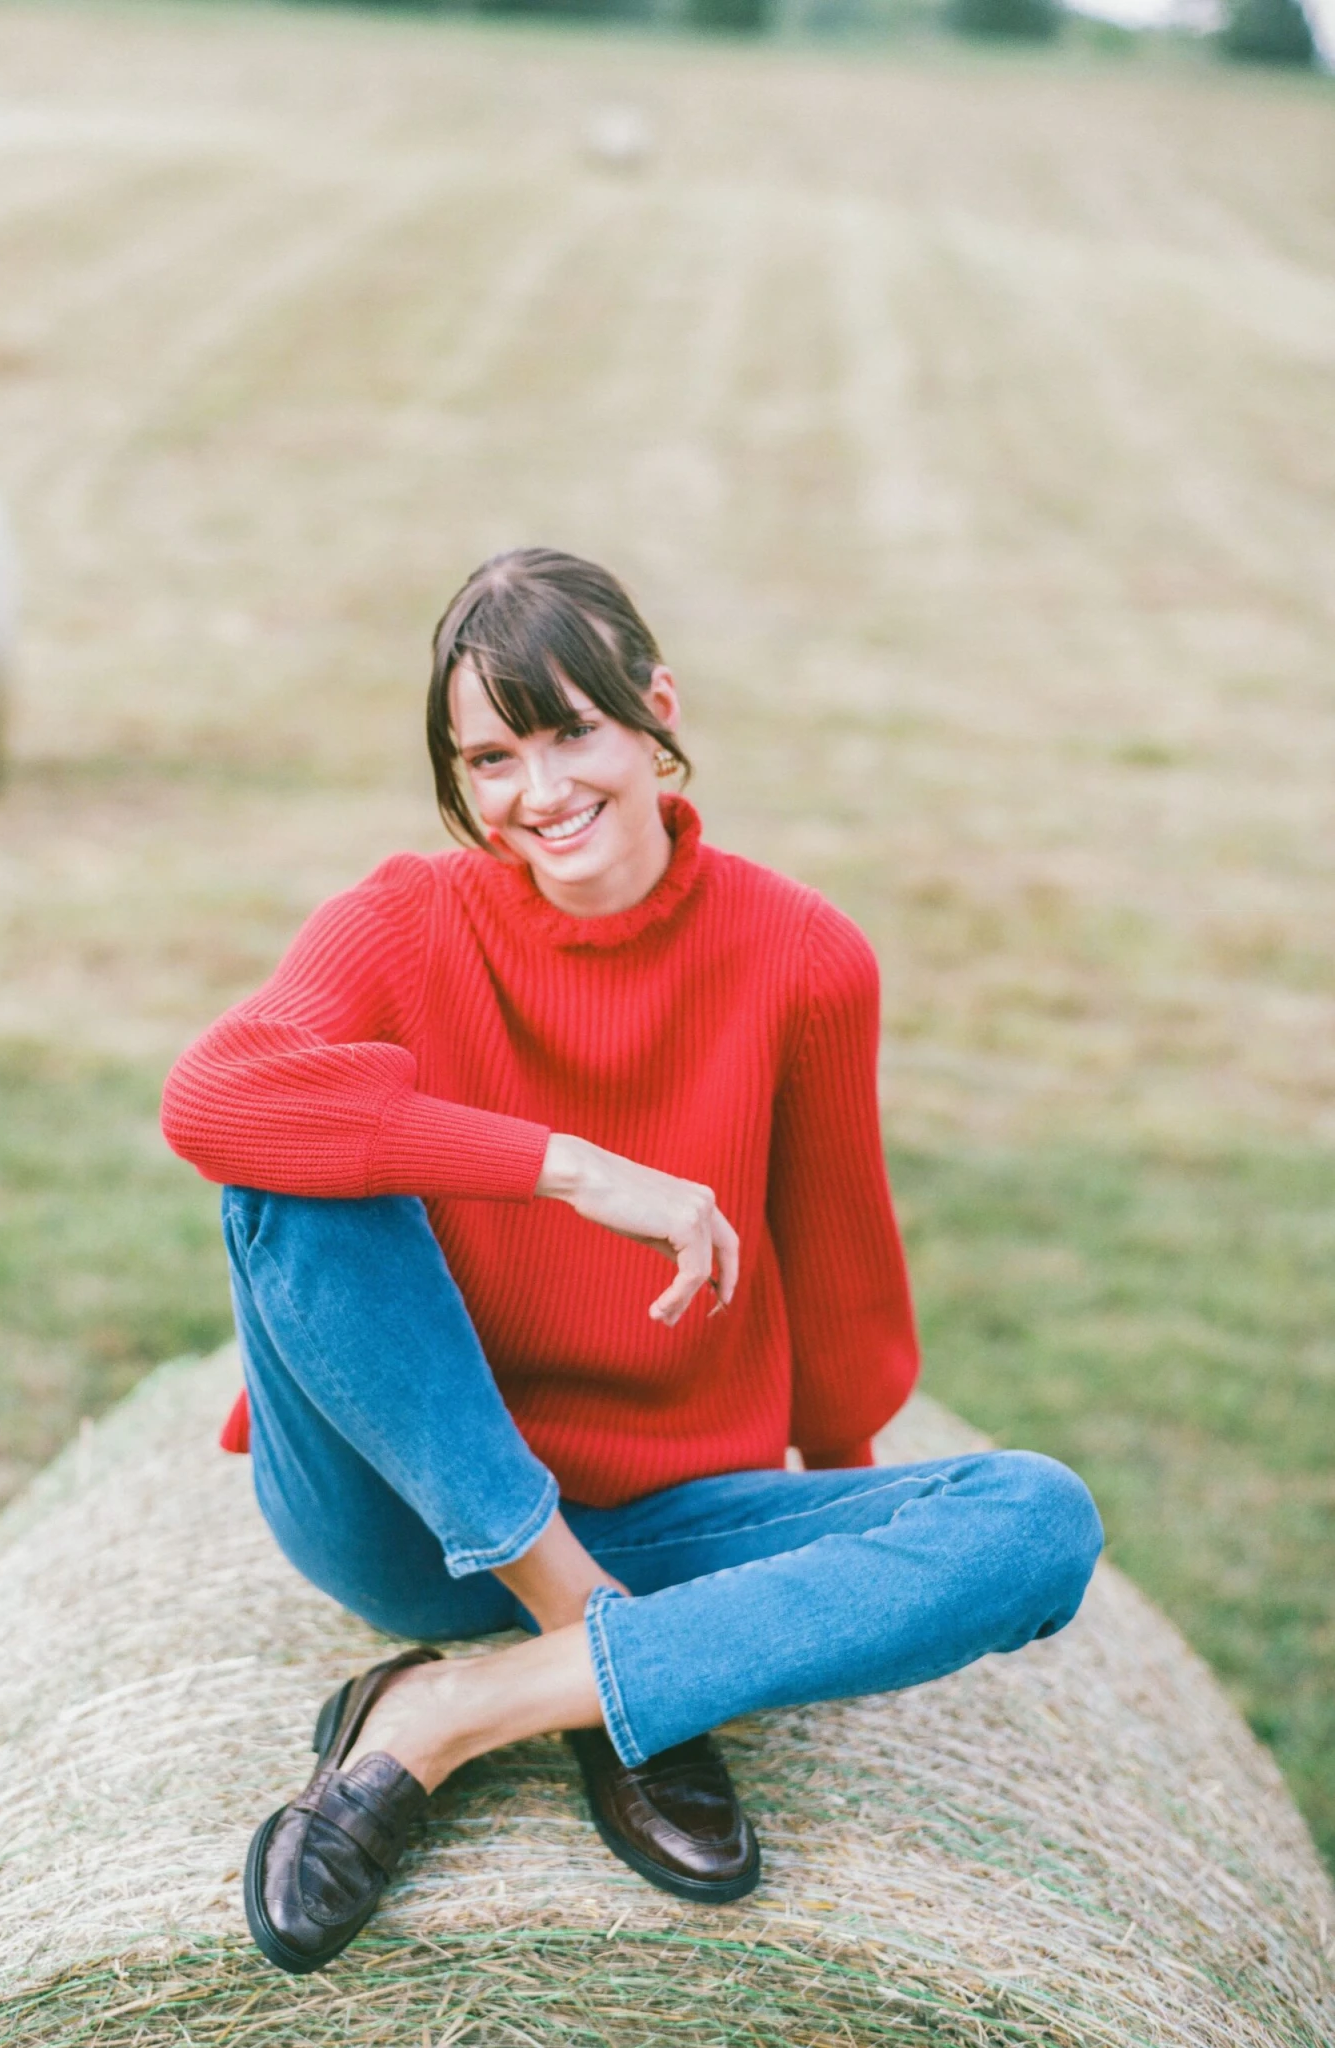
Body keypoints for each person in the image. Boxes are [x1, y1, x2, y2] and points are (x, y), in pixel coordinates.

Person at [161, 547, 1103, 1976]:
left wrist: (832, 1538)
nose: (538, 792)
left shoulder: (803, 959)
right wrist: (574, 1167)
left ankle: (457, 1713)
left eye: (571, 730)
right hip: (407, 1510)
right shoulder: (408, 920)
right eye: (490, 756)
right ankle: (593, 1640)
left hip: (664, 1506)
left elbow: (841, 1290)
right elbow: (209, 1099)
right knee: (295, 1167)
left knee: (1039, 1520)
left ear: (655, 711)